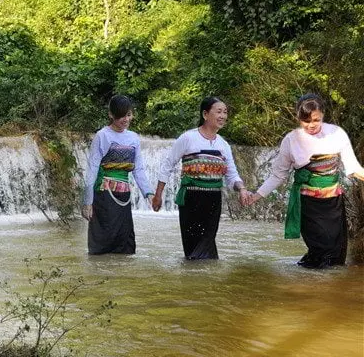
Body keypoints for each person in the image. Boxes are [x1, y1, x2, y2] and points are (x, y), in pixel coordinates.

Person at [245, 94, 364, 268]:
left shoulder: (336, 134)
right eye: (305, 121)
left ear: (322, 114)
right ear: (298, 118)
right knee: (323, 251)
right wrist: (256, 195)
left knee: (337, 257)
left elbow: (353, 168)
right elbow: (278, 175)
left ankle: (309, 280)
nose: (311, 125)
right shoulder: (291, 140)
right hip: (308, 205)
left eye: (315, 120)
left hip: (334, 203)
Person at [152, 97, 247, 259]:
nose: (223, 116)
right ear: (205, 114)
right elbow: (167, 165)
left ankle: (201, 278)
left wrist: (242, 189)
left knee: (208, 245)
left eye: (225, 112)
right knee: (192, 247)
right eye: (219, 112)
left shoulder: (223, 145)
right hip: (191, 199)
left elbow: (232, 174)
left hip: (213, 201)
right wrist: (158, 195)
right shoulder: (188, 138)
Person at [81, 95, 154, 255]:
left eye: (128, 114)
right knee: (103, 241)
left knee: (125, 243)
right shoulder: (102, 135)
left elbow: (138, 168)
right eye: (121, 115)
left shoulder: (133, 137)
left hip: (123, 195)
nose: (125, 119)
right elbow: (92, 168)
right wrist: (87, 201)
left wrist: (148, 193)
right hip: (103, 195)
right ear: (111, 115)